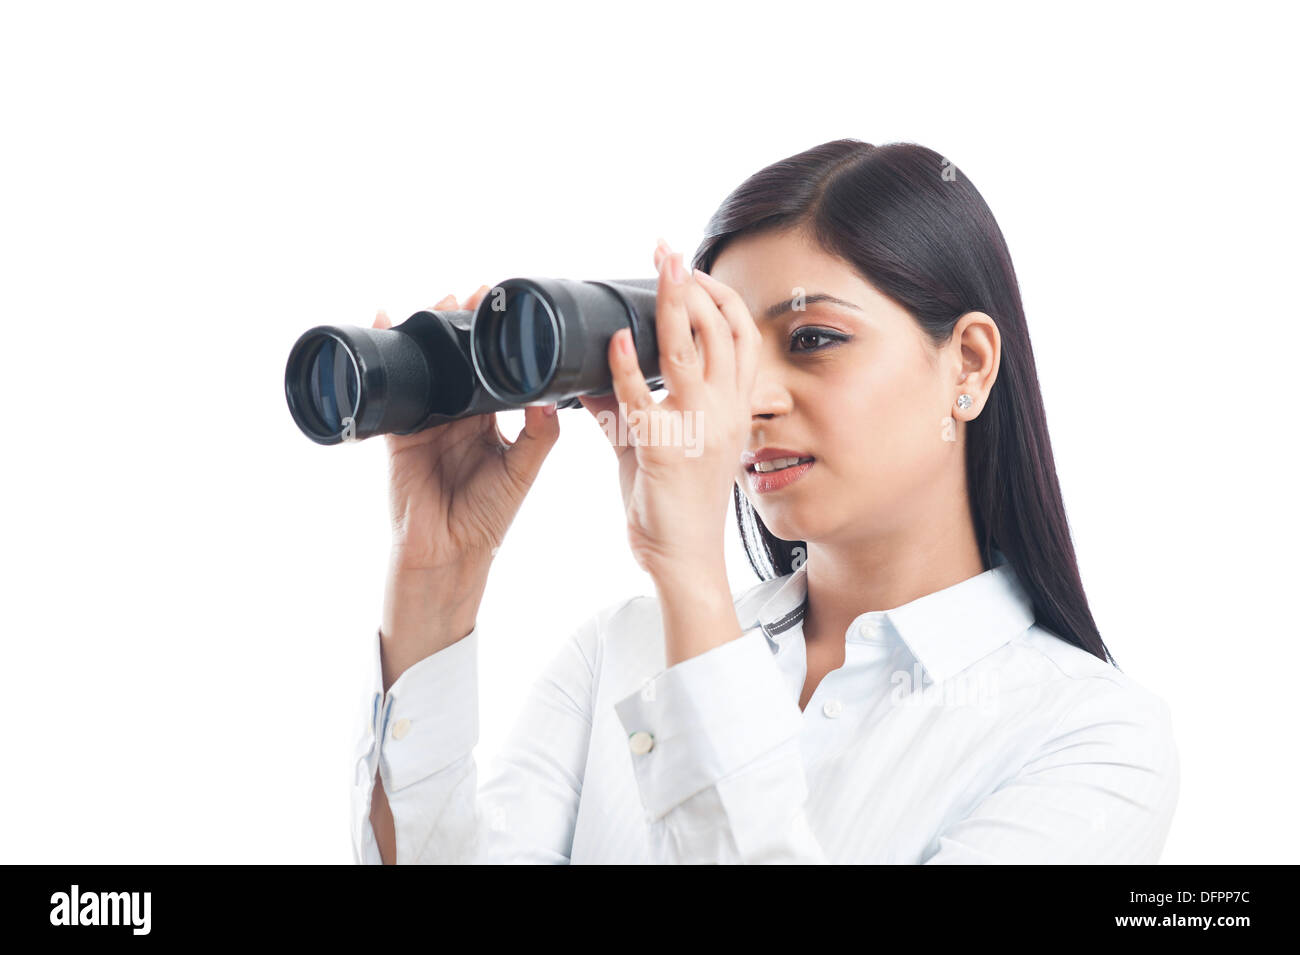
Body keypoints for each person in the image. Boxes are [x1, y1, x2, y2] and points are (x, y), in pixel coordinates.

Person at [350, 139, 1180, 864]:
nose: (749, 401)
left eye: (813, 339)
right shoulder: (618, 654)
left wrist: (691, 575)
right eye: (726, 350)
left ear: (967, 363)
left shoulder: (1093, 739)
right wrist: (437, 573)